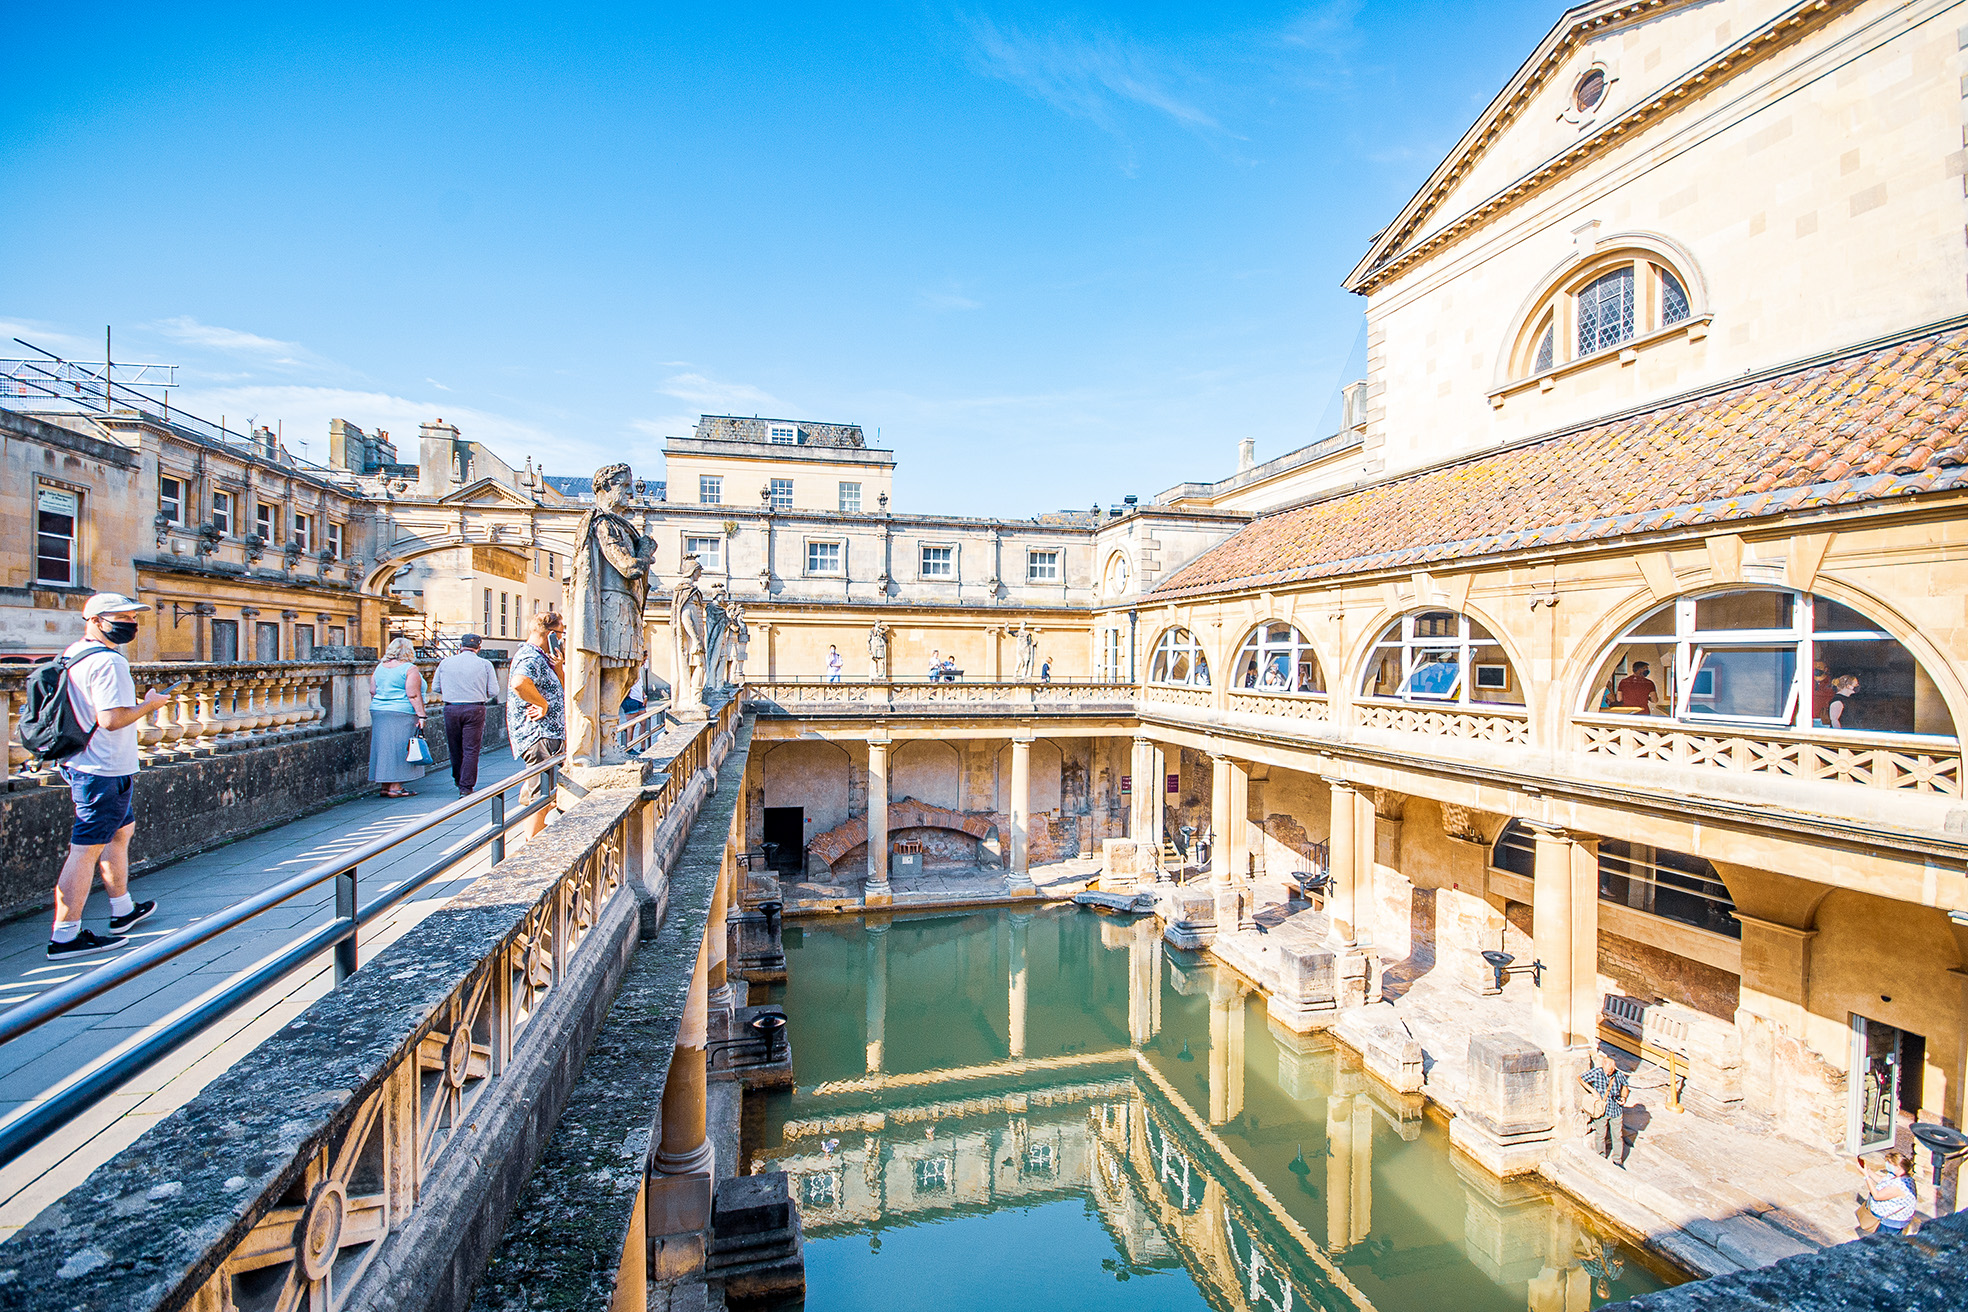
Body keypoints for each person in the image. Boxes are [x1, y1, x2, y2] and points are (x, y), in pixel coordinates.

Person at [47, 593, 168, 960]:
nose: (130, 623)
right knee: (85, 850)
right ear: (97, 620)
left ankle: (122, 909)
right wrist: (150, 704)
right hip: (101, 768)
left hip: (83, 761)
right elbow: (112, 719)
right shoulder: (109, 662)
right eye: (123, 617)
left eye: (133, 616)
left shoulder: (73, 652)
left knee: (120, 831)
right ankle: (65, 936)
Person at [509, 611, 566, 837]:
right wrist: (541, 704)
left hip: (547, 735)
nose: (562, 639)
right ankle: (532, 847)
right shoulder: (530, 657)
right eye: (560, 634)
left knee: (546, 794)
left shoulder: (543, 657)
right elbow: (519, 683)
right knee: (541, 798)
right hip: (540, 735)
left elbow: (560, 689)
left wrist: (559, 667)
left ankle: (533, 837)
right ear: (551, 634)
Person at [433, 634, 498, 796]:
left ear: (460, 646)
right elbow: (493, 691)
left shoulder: (445, 663)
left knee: (454, 747)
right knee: (471, 748)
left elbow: (435, 687)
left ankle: (457, 777)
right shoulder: (485, 664)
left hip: (451, 707)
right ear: (479, 647)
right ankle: (466, 786)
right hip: (475, 707)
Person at [368, 637, 428, 799]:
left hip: (379, 711)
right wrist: (421, 715)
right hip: (401, 712)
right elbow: (413, 695)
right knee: (399, 748)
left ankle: (385, 786)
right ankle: (395, 787)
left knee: (383, 748)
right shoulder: (409, 668)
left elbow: (373, 691)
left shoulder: (379, 667)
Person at [1579, 1051, 1630, 1167]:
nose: (1608, 1073)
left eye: (1610, 1071)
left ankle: (1617, 1160)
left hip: (1616, 1109)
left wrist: (1624, 1097)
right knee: (1600, 1134)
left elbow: (1625, 1087)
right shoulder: (1597, 1073)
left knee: (1617, 1135)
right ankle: (1601, 1156)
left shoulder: (1618, 1074)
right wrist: (1593, 1091)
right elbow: (1580, 1078)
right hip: (1602, 1109)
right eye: (1606, 1071)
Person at [1857, 1150, 1919, 1235]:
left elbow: (1877, 1196)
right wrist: (1868, 1170)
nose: (1887, 1164)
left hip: (1889, 1224)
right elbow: (1881, 1180)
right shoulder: (1896, 1175)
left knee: (1882, 1244)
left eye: (1889, 1163)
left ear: (1898, 1167)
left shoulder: (1899, 1186)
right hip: (1885, 1220)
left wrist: (1866, 1177)